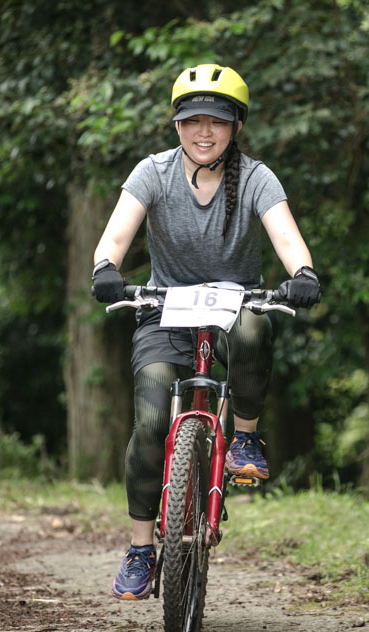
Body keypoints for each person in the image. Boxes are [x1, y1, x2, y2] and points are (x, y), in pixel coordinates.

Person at [89, 63, 321, 601]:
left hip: (234, 308)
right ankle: (141, 548)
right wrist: (105, 267)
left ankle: (245, 437)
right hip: (164, 311)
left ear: (236, 126)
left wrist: (303, 273)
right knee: (151, 421)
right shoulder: (153, 172)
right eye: (191, 120)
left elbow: (287, 238)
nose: (203, 131)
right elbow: (116, 235)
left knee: (255, 329)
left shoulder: (257, 178)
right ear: (176, 125)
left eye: (216, 120)